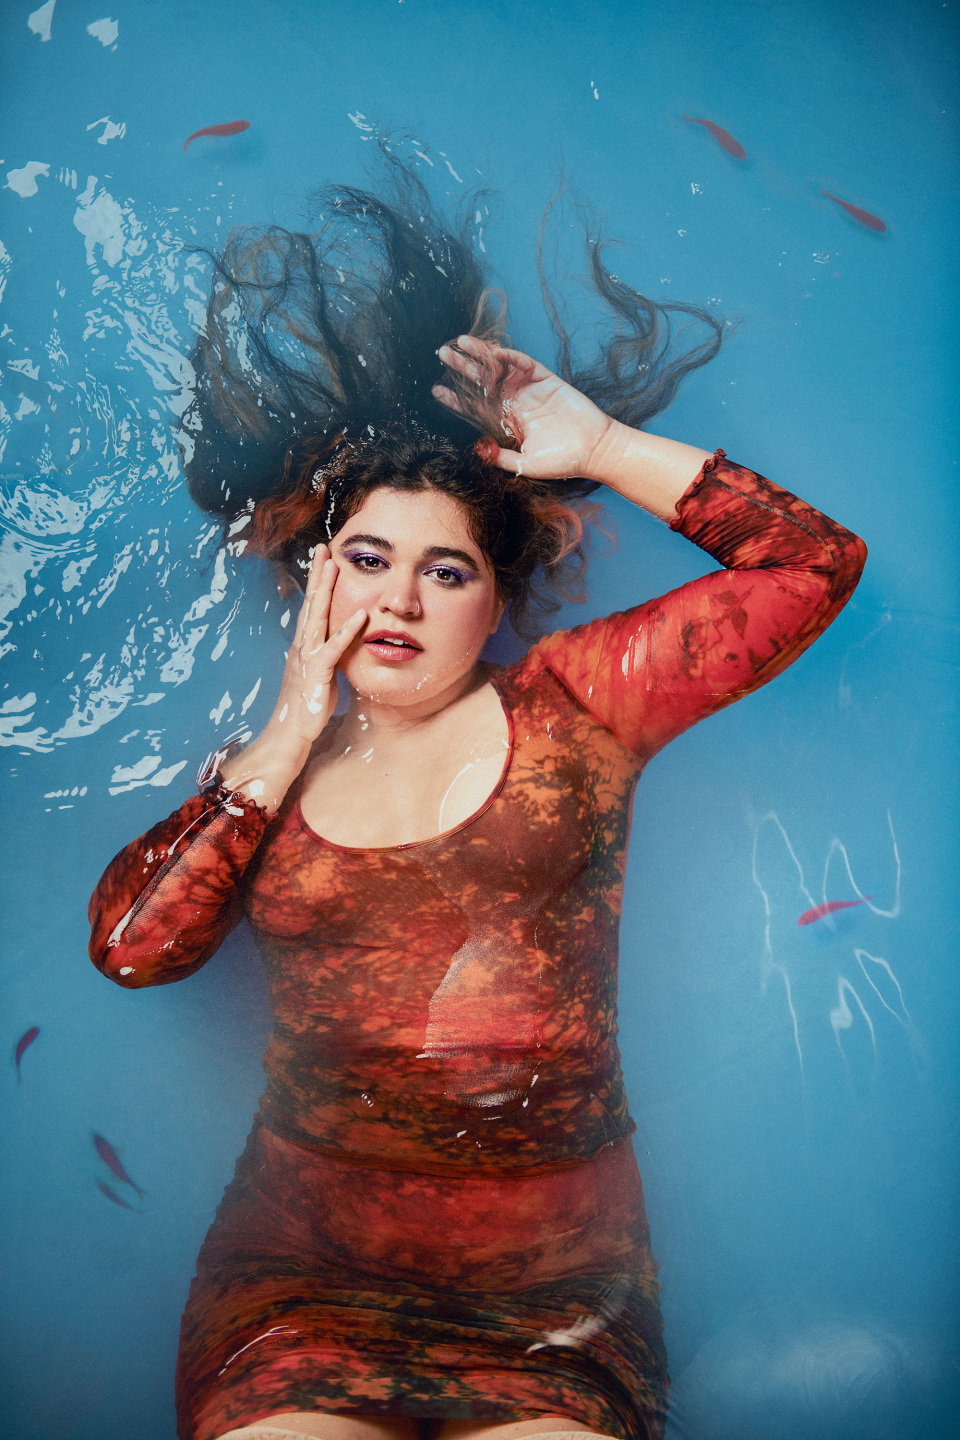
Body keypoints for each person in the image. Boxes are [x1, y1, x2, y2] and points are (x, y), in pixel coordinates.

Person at [87, 159, 866, 1440]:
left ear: (496, 601)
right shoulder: (261, 783)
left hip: (554, 1305)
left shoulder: (577, 706)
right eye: (368, 561)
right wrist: (287, 732)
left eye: (445, 572)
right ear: (315, 583)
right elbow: (129, 953)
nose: (397, 600)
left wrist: (604, 448)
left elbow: (813, 564)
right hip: (303, 1290)